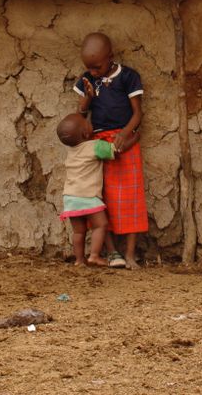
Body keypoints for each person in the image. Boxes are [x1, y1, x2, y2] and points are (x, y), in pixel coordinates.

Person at [74, 32, 148, 269]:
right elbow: (81, 115)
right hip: (99, 145)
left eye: (97, 67)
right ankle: (111, 252)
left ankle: (129, 254)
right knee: (99, 199)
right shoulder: (88, 80)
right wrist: (88, 97)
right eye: (89, 68)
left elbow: (137, 114)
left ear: (111, 57)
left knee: (131, 198)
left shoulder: (128, 77)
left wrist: (124, 135)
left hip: (122, 139)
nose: (93, 72)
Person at [56, 113, 138, 266]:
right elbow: (116, 150)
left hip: (70, 197)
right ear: (86, 133)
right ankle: (94, 255)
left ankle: (79, 260)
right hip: (87, 196)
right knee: (100, 225)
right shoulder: (95, 146)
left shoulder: (71, 151)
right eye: (86, 122)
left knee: (79, 232)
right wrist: (134, 139)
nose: (89, 121)